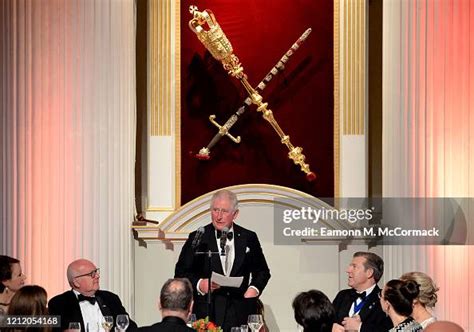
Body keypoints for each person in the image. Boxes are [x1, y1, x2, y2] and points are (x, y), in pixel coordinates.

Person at [175, 189, 271, 331]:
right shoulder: (198, 237)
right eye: (215, 210)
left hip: (240, 311)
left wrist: (253, 289)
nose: (218, 216)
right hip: (207, 313)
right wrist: (200, 284)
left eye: (224, 211)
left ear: (235, 214)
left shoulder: (248, 237)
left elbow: (262, 271)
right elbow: (180, 273)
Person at [48, 258, 137, 331]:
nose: (97, 276)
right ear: (76, 282)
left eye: (96, 272)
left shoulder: (110, 298)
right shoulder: (59, 303)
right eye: (92, 274)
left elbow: (129, 326)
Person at [332, 252, 392, 332]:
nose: (348, 270)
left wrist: (360, 327)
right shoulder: (342, 296)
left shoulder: (384, 299)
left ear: (369, 273)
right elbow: (325, 322)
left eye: (354, 266)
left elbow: (390, 329)